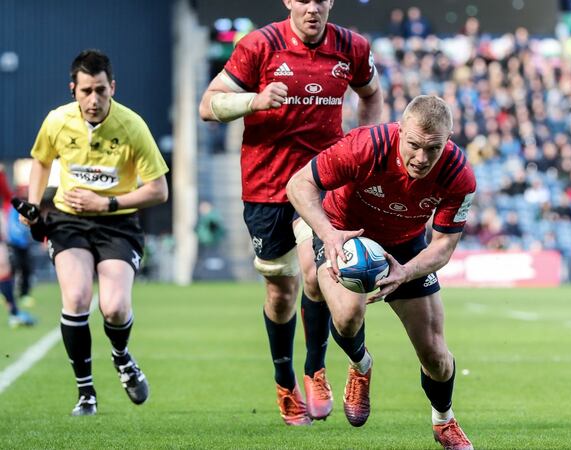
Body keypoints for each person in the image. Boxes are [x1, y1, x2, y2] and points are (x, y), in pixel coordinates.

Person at [198, 0, 383, 426]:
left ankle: (315, 369)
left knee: (316, 271)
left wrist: (362, 146)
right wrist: (255, 101)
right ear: (288, 1)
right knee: (281, 294)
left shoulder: (352, 48)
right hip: (266, 190)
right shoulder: (260, 45)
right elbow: (208, 106)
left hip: (322, 186)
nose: (313, 7)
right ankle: (285, 381)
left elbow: (371, 95)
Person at [287, 95, 475, 450]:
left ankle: (443, 421)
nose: (421, 158)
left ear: (447, 141)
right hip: (343, 233)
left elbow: (444, 246)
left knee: (435, 354)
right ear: (399, 130)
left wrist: (406, 271)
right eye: (414, 145)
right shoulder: (366, 146)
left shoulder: (458, 174)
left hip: (405, 247)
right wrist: (327, 234)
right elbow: (298, 185)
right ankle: (361, 364)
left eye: (433, 149)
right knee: (345, 316)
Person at [24, 49, 169, 416]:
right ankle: (85, 392)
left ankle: (122, 359)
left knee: (115, 307)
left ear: (112, 88)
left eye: (101, 90)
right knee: (75, 297)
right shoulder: (57, 121)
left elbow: (158, 190)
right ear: (73, 89)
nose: (94, 99)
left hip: (117, 222)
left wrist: (106, 204)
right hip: (69, 220)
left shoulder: (132, 125)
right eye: (86, 90)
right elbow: (41, 161)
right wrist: (34, 204)